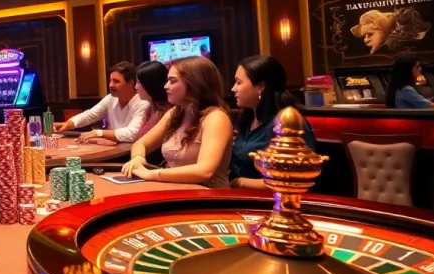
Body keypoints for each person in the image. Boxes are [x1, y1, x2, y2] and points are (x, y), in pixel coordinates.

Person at [120, 56, 233, 188]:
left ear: (194, 83)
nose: (166, 86)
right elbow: (141, 143)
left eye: (172, 81)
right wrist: (137, 157)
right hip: (174, 192)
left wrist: (153, 174)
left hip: (209, 197)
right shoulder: (175, 112)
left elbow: (205, 171)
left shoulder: (216, 118)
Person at [228, 55, 316, 189]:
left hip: (272, 202)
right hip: (240, 196)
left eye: (239, 82)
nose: (233, 89)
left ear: (260, 86)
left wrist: (239, 183)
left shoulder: (287, 123)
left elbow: (292, 179)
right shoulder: (248, 118)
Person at [57, 61, 148, 142]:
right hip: (114, 149)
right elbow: (90, 115)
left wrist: (99, 133)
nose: (110, 85)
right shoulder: (110, 99)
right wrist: (68, 124)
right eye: (110, 81)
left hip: (131, 153)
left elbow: (132, 133)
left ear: (130, 83)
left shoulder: (143, 102)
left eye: (116, 81)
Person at [134, 61, 170, 138]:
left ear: (151, 84)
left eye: (139, 82)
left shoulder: (167, 112)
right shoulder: (150, 108)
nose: (135, 87)